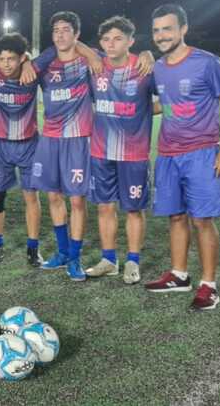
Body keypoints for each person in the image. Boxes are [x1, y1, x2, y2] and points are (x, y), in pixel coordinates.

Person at [143, 4, 220, 312]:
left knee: (202, 220)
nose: (161, 35)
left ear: (183, 29)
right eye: (157, 30)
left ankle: (208, 285)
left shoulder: (206, 63)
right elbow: (167, 105)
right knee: (175, 216)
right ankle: (179, 274)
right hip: (168, 154)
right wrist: (126, 109)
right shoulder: (157, 67)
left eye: (167, 29)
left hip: (202, 152)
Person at [83, 16, 155, 285]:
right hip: (101, 151)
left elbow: (165, 100)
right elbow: (73, 43)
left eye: (117, 39)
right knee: (104, 207)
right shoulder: (96, 66)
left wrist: (150, 55)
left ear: (130, 42)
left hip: (134, 154)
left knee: (134, 210)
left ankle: (132, 262)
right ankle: (109, 260)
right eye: (105, 39)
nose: (111, 44)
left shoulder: (145, 68)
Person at [33, 11, 97, 281]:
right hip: (50, 138)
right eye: (56, 30)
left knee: (77, 201)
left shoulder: (88, 62)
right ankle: (61, 253)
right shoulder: (45, 65)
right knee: (53, 196)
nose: (60, 34)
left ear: (76, 34)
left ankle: (75, 257)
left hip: (78, 139)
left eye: (66, 29)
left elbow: (113, 60)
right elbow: (16, 69)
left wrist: (146, 56)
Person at [0, 33, 51, 266]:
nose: (5, 63)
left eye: (11, 59)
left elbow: (50, 53)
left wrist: (28, 62)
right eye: (2, 58)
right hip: (1, 146)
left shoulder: (31, 74)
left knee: (31, 197)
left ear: (21, 58)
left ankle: (33, 248)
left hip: (29, 145)